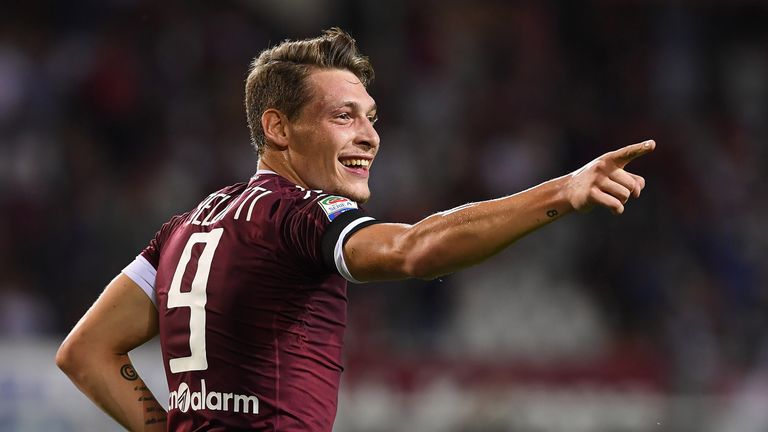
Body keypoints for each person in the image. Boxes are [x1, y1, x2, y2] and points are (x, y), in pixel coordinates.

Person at [56, 28, 655, 431]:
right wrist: (563, 191)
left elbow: (85, 352)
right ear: (279, 128)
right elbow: (415, 250)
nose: (368, 135)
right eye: (343, 116)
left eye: (371, 118)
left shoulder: (186, 225)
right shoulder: (297, 213)